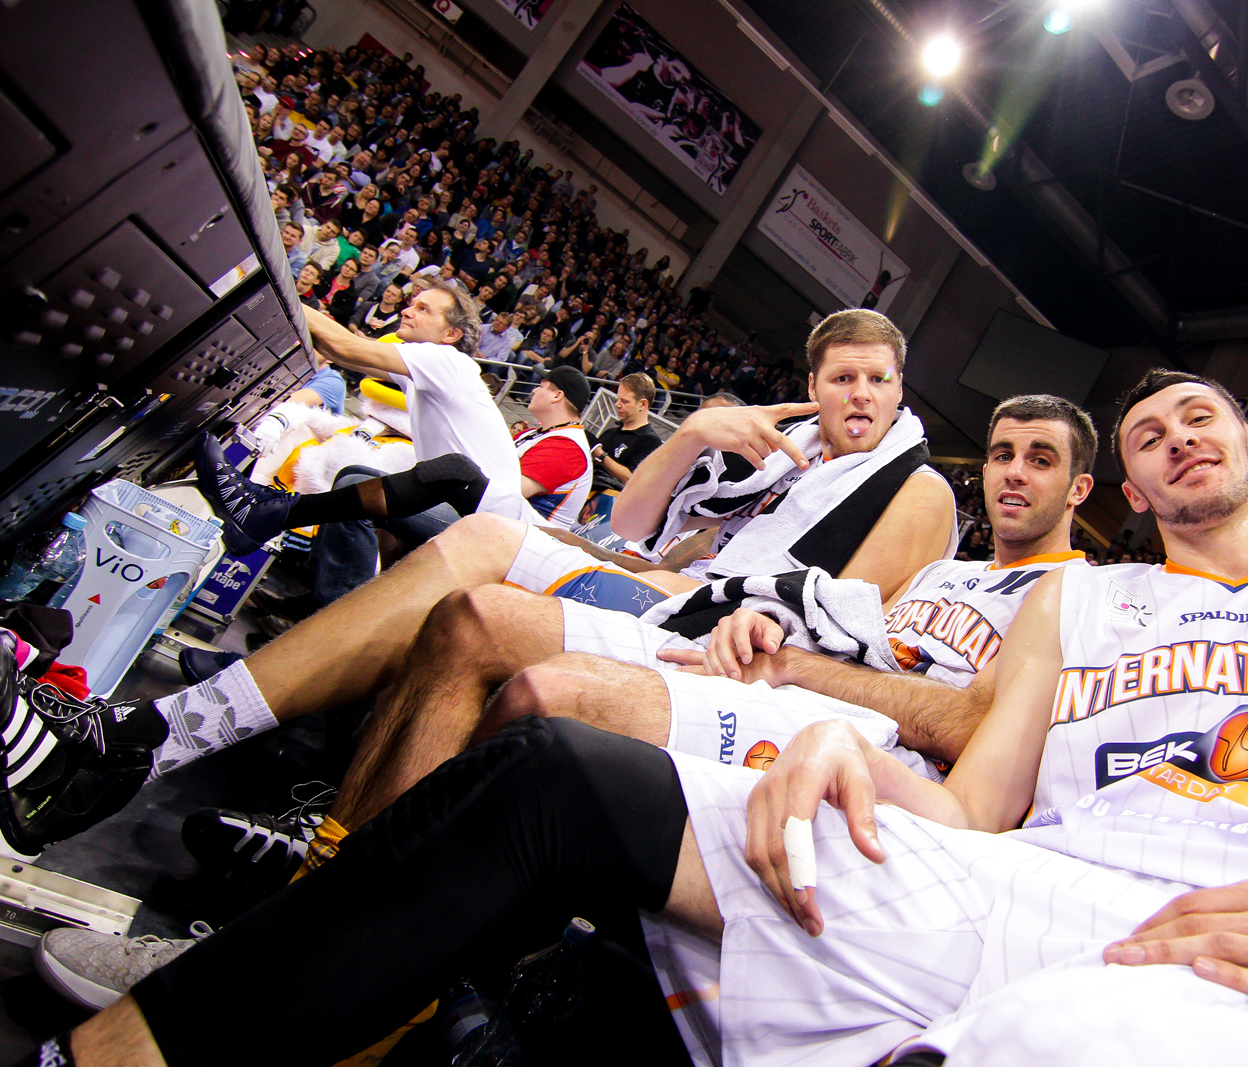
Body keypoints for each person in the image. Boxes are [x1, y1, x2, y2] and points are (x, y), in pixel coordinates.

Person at [41, 371, 1248, 1067]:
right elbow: (980, 805)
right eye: (1149, 428)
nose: (1178, 434)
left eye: (1204, 414)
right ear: (1131, 491)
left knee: (1051, 1040)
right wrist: (856, 749)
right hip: (1030, 877)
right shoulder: (1083, 603)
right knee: (553, 773)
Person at [26, 394, 1095, 1021]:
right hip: (753, 651)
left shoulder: (1064, 595)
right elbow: (738, 580)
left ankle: (298, 979)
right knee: (468, 616)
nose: (1010, 473)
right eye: (1000, 452)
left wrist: (796, 665)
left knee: (534, 680)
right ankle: (243, 867)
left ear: (1083, 490)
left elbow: (959, 731)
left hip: (837, 742)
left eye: (1038, 460)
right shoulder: (932, 569)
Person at [0, 314, 954, 856]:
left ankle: (152, 744)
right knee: (461, 568)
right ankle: (188, 760)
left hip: (720, 661)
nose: (858, 396)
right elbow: (633, 529)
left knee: (471, 543)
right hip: (664, 599)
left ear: (900, 384)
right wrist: (698, 433)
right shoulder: (792, 464)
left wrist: (669, 574)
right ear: (815, 385)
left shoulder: (915, 487)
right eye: (840, 379)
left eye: (875, 379)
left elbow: (819, 629)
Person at [192, 283, 534, 558]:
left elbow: (347, 347)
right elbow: (343, 353)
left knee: (351, 484)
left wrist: (269, 287)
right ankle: (308, 569)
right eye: (412, 304)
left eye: (422, 309)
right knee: (355, 477)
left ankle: (262, 514)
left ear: (451, 335)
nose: (406, 310)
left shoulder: (446, 360)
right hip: (474, 515)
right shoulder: (436, 367)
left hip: (485, 524)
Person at [514, 365, 593, 529]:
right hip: (504, 528)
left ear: (557, 395)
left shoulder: (568, 448)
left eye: (541, 386)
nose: (534, 391)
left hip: (526, 541)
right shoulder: (532, 433)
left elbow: (510, 490)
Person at [591, 373, 661, 486]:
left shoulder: (650, 441)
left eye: (624, 401)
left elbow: (631, 479)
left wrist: (601, 455)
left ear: (642, 404)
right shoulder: (610, 432)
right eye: (618, 399)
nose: (617, 404)